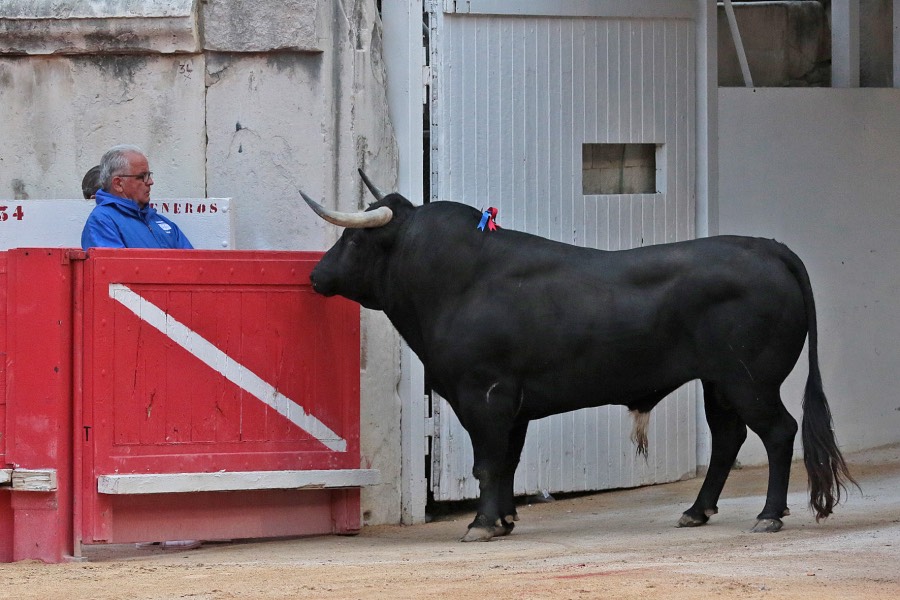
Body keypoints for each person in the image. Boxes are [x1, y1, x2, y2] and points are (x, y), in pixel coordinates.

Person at [81, 144, 193, 250]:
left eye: (149, 175)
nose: (150, 182)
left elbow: (192, 264)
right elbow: (114, 267)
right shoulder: (102, 220)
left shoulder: (162, 222)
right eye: (142, 176)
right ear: (118, 184)